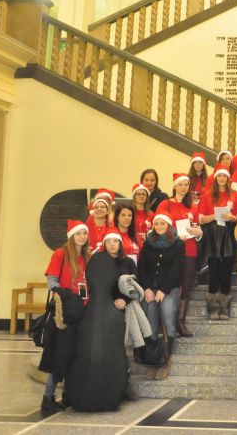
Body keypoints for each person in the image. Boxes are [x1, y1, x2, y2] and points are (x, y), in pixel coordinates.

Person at [64, 231, 131, 411]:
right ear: (104, 244)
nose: (112, 244)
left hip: (119, 306)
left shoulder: (127, 262)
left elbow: (134, 286)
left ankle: (124, 386)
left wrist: (125, 300)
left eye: (115, 241)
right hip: (99, 309)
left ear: (120, 243)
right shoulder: (93, 259)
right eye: (108, 241)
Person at [39, 220, 90, 412]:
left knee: (73, 355)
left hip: (81, 311)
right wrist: (67, 297)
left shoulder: (86, 256)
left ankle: (68, 394)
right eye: (79, 234)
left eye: (85, 234)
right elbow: (52, 282)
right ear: (71, 236)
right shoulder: (60, 254)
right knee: (59, 356)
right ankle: (48, 397)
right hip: (64, 312)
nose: (82, 237)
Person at [137, 214, 185, 380]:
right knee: (151, 324)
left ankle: (165, 361)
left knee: (168, 321)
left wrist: (163, 290)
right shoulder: (148, 243)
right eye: (156, 223)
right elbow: (142, 267)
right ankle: (153, 362)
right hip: (150, 289)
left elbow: (177, 269)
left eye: (162, 223)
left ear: (169, 225)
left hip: (168, 289)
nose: (159, 226)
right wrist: (147, 288)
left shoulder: (178, 244)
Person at [155, 174, 203, 338]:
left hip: (189, 250)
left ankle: (180, 322)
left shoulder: (192, 206)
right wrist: (174, 236)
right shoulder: (166, 204)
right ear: (174, 186)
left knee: (186, 287)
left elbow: (197, 227)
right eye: (180, 184)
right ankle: (166, 322)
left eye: (186, 185)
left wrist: (198, 233)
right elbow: (159, 226)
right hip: (170, 250)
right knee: (169, 284)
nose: (184, 187)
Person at [198, 165, 237, 320]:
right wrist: (215, 215)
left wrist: (232, 218)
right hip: (212, 236)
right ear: (215, 178)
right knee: (213, 272)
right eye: (220, 176)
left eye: (225, 176)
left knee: (225, 272)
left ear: (228, 178)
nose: (222, 178)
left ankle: (224, 307)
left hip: (228, 235)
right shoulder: (206, 196)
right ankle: (212, 307)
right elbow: (201, 219)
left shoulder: (235, 195)